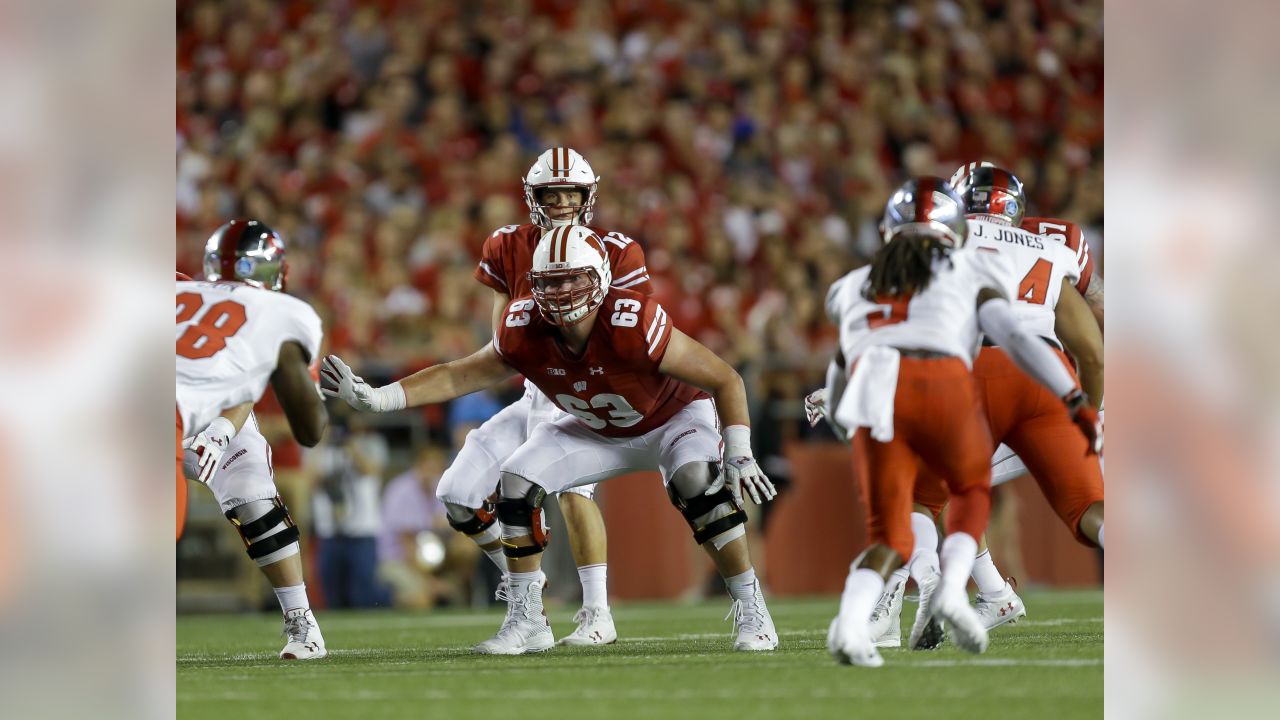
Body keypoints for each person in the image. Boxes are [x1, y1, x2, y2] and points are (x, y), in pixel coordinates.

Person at [322, 224, 779, 655]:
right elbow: (460, 374)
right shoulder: (525, 327)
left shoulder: (631, 320)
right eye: (549, 282)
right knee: (516, 484)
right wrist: (380, 399)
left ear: (601, 278)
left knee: (698, 487)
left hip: (671, 418)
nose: (560, 292)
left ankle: (752, 606)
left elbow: (725, 378)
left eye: (572, 280)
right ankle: (528, 620)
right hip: (597, 428)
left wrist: (738, 451)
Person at [821, 177, 1101, 667]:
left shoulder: (852, 285)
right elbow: (1028, 339)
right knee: (1006, 498)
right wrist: (1078, 400)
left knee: (907, 515)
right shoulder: (1006, 258)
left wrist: (842, 412)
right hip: (995, 382)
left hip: (906, 390)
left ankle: (879, 610)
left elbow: (846, 363)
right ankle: (954, 590)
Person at [433, 147, 653, 645]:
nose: (559, 201)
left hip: (581, 387)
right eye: (549, 193)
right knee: (458, 495)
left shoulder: (617, 250)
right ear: (533, 197)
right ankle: (525, 586)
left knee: (574, 491)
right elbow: (501, 340)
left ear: (586, 195)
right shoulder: (508, 244)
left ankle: (597, 612)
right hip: (535, 388)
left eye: (568, 191)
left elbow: (627, 329)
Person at [176, 219, 330, 660]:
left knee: (254, 500)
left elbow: (246, 377)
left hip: (216, 416)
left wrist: (221, 432)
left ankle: (302, 622)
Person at [376, 444, 480, 609]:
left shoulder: (440, 487)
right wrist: (431, 583)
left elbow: (459, 527)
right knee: (422, 600)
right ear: (417, 466)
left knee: (467, 546)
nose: (432, 472)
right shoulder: (400, 490)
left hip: (432, 555)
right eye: (428, 466)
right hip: (400, 559)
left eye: (436, 468)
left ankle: (464, 590)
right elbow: (407, 546)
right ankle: (396, 600)